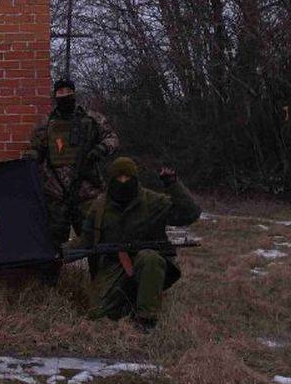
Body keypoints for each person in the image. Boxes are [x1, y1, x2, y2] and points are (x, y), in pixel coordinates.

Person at [74, 156, 201, 332]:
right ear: (111, 180)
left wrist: (172, 183)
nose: (123, 182)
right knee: (98, 314)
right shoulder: (99, 207)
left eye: (128, 178)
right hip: (113, 266)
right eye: (119, 178)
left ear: (136, 179)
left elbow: (190, 213)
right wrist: (60, 251)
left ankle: (146, 319)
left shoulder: (153, 202)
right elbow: (85, 240)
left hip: (147, 264)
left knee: (149, 258)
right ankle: (130, 302)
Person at [28, 79, 120, 250]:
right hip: (55, 194)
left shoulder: (92, 119)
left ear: (74, 94)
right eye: (60, 93)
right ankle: (54, 276)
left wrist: (100, 149)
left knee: (95, 239)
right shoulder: (46, 124)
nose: (64, 97)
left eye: (67, 93)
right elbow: (34, 150)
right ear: (55, 96)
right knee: (53, 244)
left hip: (87, 191)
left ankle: (100, 276)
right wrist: (30, 159)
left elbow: (113, 139)